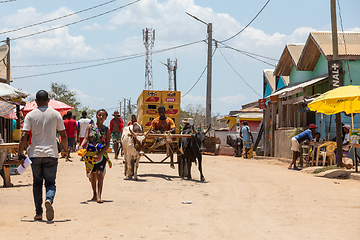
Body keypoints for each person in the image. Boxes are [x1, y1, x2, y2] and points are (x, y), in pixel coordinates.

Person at [18, 90, 68, 221]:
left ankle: (38, 213)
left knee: (37, 183)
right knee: (50, 183)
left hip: (35, 154)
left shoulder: (30, 115)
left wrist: (20, 154)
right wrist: (65, 150)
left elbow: (24, 135)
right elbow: (63, 135)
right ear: (48, 100)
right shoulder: (56, 114)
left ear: (35, 101)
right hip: (51, 154)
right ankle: (49, 199)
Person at [80, 109, 112, 204]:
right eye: (99, 115)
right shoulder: (90, 127)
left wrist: (99, 154)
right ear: (96, 116)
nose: (101, 117)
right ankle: (94, 194)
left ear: (105, 118)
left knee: (99, 174)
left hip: (101, 154)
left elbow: (107, 145)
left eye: (103, 116)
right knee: (93, 174)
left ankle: (99, 196)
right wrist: (81, 146)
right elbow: (86, 138)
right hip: (90, 153)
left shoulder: (106, 130)